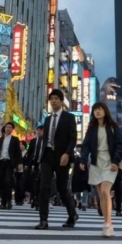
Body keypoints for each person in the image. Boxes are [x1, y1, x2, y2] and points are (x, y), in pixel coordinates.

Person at [35, 89, 79, 230]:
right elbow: (45, 139)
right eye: (51, 98)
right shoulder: (47, 119)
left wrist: (67, 154)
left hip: (62, 156)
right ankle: (43, 219)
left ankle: (72, 214)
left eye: (56, 98)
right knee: (44, 186)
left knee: (62, 187)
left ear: (61, 101)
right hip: (47, 155)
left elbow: (73, 138)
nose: (53, 101)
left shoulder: (69, 117)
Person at [79, 102, 122, 237]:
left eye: (100, 109)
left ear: (105, 111)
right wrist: (83, 159)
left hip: (110, 162)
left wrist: (116, 160)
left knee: (105, 191)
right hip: (95, 162)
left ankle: (108, 223)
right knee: (101, 195)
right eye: (95, 110)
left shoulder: (113, 127)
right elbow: (86, 145)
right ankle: (107, 222)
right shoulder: (92, 128)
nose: (97, 111)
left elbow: (120, 144)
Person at [0, 122, 23, 210]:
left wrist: (20, 163)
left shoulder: (15, 139)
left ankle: (8, 201)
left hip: (10, 163)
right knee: (0, 182)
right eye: (6, 127)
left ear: (12, 129)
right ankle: (2, 202)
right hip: (1, 162)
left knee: (8, 181)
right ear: (4, 128)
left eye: (10, 127)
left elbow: (18, 152)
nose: (8, 129)